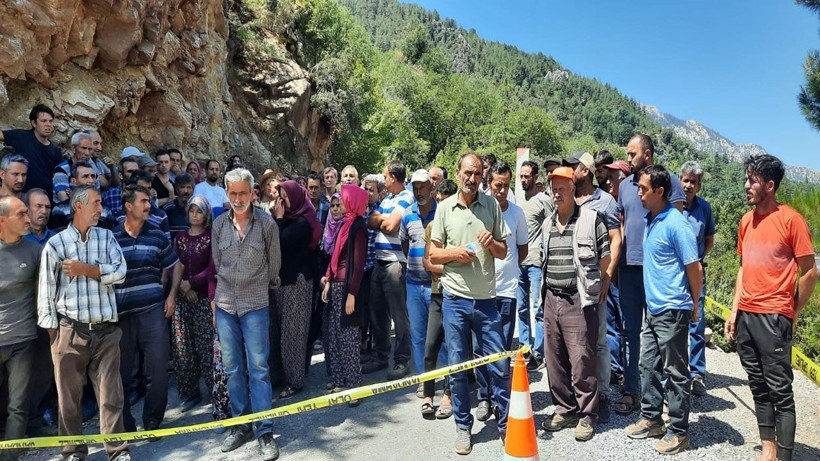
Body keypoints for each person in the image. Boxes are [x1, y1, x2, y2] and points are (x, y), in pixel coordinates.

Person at [724, 154, 818, 461]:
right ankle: (769, 448)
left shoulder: (791, 220)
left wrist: (792, 312)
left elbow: (810, 272)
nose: (745, 185)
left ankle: (785, 455)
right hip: (746, 315)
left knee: (780, 390)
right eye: (746, 179)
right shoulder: (746, 221)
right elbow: (743, 268)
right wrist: (734, 310)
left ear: (770, 185)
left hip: (774, 316)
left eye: (752, 180)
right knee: (757, 384)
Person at [37, 184, 131, 461]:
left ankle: (118, 451)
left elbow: (121, 272)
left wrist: (86, 270)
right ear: (79, 206)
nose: (101, 208)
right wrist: (55, 335)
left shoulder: (106, 237)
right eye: (96, 203)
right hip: (70, 330)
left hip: (105, 331)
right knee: (68, 398)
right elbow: (46, 292)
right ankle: (73, 452)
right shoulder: (56, 245)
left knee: (111, 396)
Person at [429, 152, 511, 454]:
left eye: (477, 174)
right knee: (457, 367)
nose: (472, 178)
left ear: (482, 176)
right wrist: (456, 253)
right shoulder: (444, 208)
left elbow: (504, 251)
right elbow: (433, 255)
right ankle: (463, 427)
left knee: (499, 364)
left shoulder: (491, 205)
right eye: (467, 172)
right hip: (455, 300)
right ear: (458, 172)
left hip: (487, 301)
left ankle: (506, 425)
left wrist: (492, 243)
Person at [625, 165, 701, 455]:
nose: (638, 193)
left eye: (643, 189)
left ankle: (679, 432)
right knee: (648, 365)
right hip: (654, 309)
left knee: (676, 372)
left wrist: (694, 304)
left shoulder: (676, 223)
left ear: (660, 191)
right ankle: (652, 419)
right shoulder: (652, 220)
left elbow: (694, 268)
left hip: (672, 309)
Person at [212, 168, 281, 460]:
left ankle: (265, 430)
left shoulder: (266, 224)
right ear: (227, 193)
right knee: (232, 369)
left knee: (259, 369)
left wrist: (258, 285)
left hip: (255, 305)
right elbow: (218, 263)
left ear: (253, 192)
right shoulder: (218, 225)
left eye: (243, 193)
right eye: (233, 193)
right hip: (226, 305)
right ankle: (242, 425)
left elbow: (274, 265)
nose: (238, 199)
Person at [614, 134, 685, 415]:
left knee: (662, 335)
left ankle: (665, 394)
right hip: (629, 269)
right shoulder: (624, 186)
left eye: (632, 153)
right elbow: (621, 224)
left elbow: (676, 223)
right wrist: (617, 264)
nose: (628, 158)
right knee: (630, 331)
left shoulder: (670, 181)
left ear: (647, 154)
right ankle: (631, 390)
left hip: (658, 271)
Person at [538, 166, 610, 442]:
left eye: (561, 188)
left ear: (573, 190)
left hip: (578, 300)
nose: (556, 193)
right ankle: (565, 410)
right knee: (554, 359)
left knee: (582, 360)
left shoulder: (591, 220)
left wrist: (596, 285)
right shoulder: (547, 224)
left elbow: (605, 258)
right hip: (551, 298)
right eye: (553, 189)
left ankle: (587, 415)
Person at [112, 184, 179, 437]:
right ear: (128, 206)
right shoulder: (111, 238)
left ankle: (152, 420)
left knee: (157, 369)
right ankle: (125, 424)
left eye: (149, 201)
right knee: (119, 373)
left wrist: (171, 295)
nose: (149, 205)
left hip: (153, 312)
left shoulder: (157, 234)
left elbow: (175, 265)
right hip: (120, 316)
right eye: (143, 201)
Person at [566, 151, 621, 423]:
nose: (568, 171)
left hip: (593, 283)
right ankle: (577, 396)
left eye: (572, 167)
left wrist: (607, 276)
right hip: (568, 284)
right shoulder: (566, 196)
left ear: (585, 170)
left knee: (598, 340)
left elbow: (616, 238)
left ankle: (603, 395)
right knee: (572, 342)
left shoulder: (605, 201)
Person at [169, 196, 230, 422]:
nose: (195, 215)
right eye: (191, 210)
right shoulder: (180, 237)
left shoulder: (211, 237)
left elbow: (213, 267)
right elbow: (174, 264)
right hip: (182, 299)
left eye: (199, 211)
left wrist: (192, 284)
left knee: (206, 347)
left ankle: (215, 393)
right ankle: (190, 393)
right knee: (183, 346)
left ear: (206, 215)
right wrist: (182, 288)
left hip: (204, 298)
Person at [475, 161, 527, 422]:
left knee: (502, 350)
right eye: (498, 185)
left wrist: (510, 270)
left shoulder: (517, 214)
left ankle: (499, 400)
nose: (502, 191)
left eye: (506, 186)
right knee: (480, 349)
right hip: (481, 290)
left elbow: (522, 249)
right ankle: (483, 397)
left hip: (507, 290)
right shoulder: (479, 210)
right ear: (489, 183)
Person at [365, 160, 415, 378]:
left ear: (393, 177)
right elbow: (371, 221)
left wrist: (383, 219)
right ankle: (381, 355)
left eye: (385, 176)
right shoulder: (388, 199)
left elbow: (392, 226)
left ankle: (402, 360)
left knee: (398, 315)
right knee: (378, 312)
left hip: (395, 263)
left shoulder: (407, 197)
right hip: (379, 263)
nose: (383, 180)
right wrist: (384, 219)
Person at [271, 180, 321, 399]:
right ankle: (283, 374)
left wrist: (279, 218)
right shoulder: (289, 219)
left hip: (298, 284)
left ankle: (295, 381)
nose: (283, 202)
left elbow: (278, 243)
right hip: (283, 284)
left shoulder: (302, 222)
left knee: (294, 334)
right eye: (280, 197)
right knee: (282, 332)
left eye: (286, 197)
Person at [320, 184, 369, 406]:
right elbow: (335, 258)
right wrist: (329, 281)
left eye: (345, 199)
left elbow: (357, 265)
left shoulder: (358, 227)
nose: (341, 204)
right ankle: (341, 381)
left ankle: (354, 386)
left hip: (348, 288)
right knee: (335, 336)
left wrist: (352, 294)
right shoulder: (346, 224)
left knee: (348, 337)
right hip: (336, 286)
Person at [0, 196, 40, 458]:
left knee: (18, 406)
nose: (28, 219)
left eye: (27, 212)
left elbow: (41, 295)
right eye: (21, 214)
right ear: (2, 221)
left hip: (23, 340)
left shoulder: (35, 251)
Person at [420, 179, 457, 419]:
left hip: (456, 295)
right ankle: (428, 395)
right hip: (436, 293)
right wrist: (450, 264)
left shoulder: (460, 225)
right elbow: (426, 262)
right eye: (438, 201)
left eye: (445, 202)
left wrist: (442, 263)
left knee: (454, 348)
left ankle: (448, 395)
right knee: (430, 345)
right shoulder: (432, 226)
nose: (440, 205)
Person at [678, 161, 715, 397]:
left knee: (697, 323)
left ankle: (697, 373)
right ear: (679, 180)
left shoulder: (705, 208)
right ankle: (677, 371)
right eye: (686, 180)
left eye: (693, 182)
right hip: (675, 272)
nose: (688, 185)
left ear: (699, 186)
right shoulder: (671, 207)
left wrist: (697, 262)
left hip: (696, 273)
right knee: (675, 323)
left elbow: (709, 240)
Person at [400, 169, 437, 384]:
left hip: (435, 284)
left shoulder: (441, 212)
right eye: (415, 188)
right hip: (413, 284)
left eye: (422, 187)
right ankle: (424, 379)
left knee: (439, 335)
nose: (419, 191)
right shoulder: (407, 214)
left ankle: (444, 379)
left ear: (431, 186)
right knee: (418, 334)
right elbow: (405, 244)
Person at [516, 160, 553, 371]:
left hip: (536, 263)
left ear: (535, 177)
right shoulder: (518, 200)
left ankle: (539, 353)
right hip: (519, 262)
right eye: (521, 176)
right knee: (521, 308)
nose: (523, 179)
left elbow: (552, 226)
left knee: (538, 309)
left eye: (527, 176)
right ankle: (525, 348)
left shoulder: (543, 200)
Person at [0, 104, 63, 199]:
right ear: (33, 123)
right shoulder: (21, 137)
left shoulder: (55, 151)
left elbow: (59, 177)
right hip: (20, 196)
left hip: (43, 199)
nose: (48, 124)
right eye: (43, 121)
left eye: (50, 121)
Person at [50, 161, 117, 232]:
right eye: (85, 176)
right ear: (73, 181)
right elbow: (61, 235)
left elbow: (108, 235)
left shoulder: (105, 210)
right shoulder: (61, 209)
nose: (91, 180)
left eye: (93, 176)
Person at [123, 170, 171, 241]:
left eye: (149, 188)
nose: (146, 192)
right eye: (141, 188)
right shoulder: (120, 215)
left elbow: (167, 243)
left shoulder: (160, 216)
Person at [53, 132, 98, 202]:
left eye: (90, 149)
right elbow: (64, 199)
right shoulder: (62, 169)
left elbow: (96, 197)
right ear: (73, 148)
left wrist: (74, 195)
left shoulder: (92, 171)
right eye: (83, 148)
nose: (87, 153)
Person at [164, 173, 194, 239]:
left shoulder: (196, 210)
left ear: (193, 190)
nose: (186, 191)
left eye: (188, 187)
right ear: (177, 189)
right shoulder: (168, 209)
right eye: (182, 187)